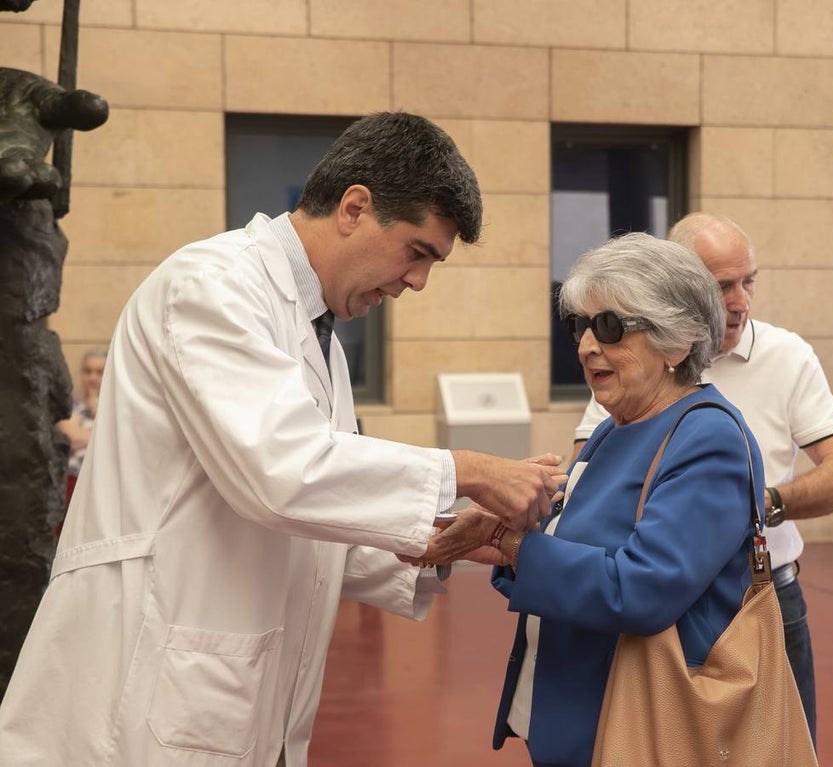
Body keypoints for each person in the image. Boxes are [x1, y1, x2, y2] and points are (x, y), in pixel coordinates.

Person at [0, 112, 564, 766]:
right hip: (146, 675)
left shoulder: (322, 340)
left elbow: (318, 516)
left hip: (236, 689)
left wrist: (449, 541)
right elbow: (282, 472)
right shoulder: (213, 286)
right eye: (418, 252)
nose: (417, 282)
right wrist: (468, 469)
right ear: (355, 206)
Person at [570, 213, 833, 746]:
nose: (738, 301)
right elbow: (585, 478)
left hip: (760, 590)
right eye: (720, 284)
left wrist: (753, 505)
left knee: (770, 749)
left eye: (748, 281)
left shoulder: (786, 355)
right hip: (661, 601)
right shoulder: (637, 359)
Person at [481, 232, 766, 767]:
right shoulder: (616, 427)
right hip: (577, 713)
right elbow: (576, 547)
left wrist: (516, 547)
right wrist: (508, 529)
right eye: (579, 327)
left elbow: (642, 589)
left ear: (678, 342)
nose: (588, 346)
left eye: (610, 327)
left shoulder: (708, 438)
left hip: (638, 727)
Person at [55, 347, 105, 519]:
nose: (92, 378)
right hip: (73, 481)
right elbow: (72, 438)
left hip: (103, 484)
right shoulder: (70, 407)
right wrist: (99, 436)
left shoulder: (115, 411)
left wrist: (97, 408)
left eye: (99, 372)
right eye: (88, 371)